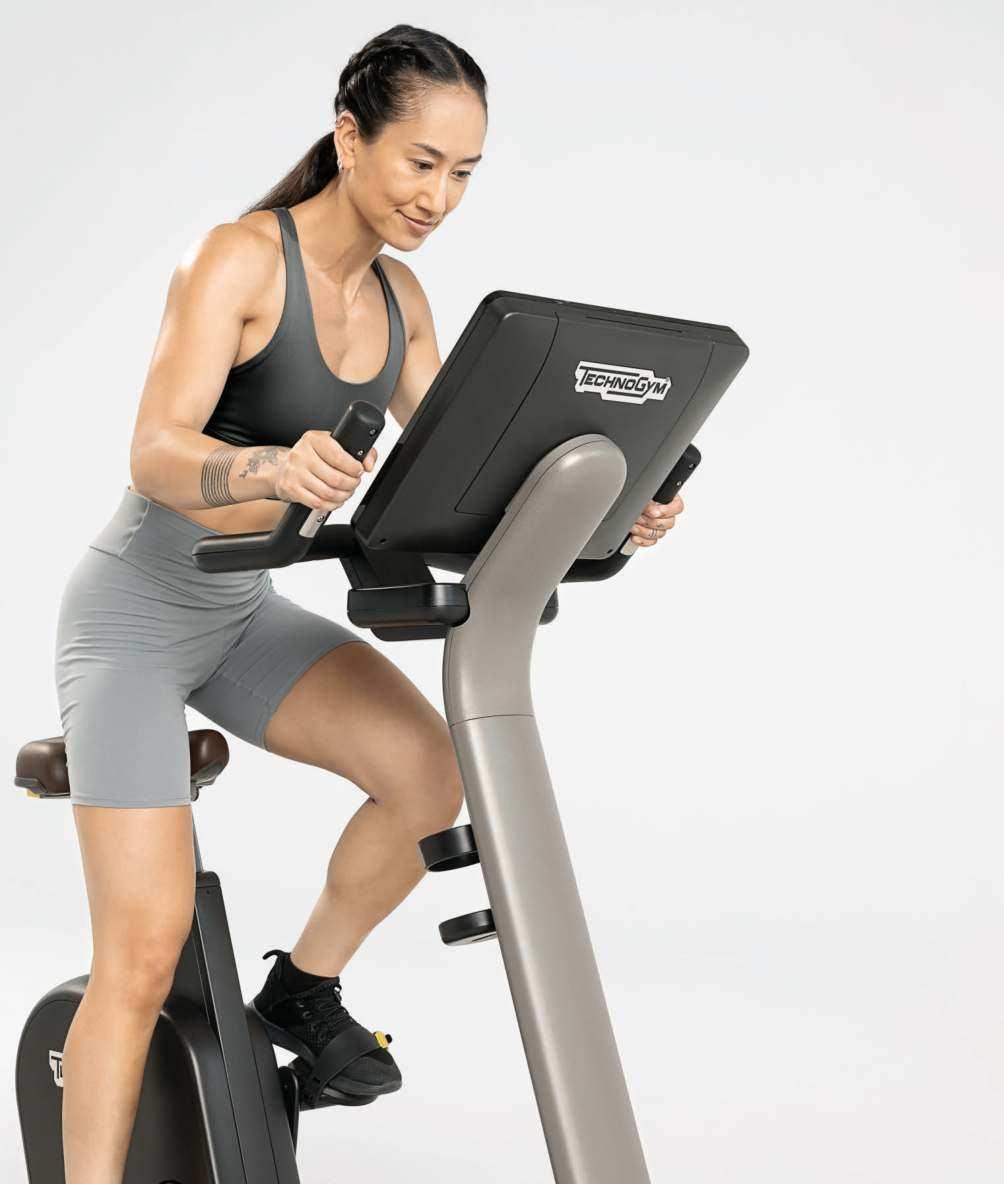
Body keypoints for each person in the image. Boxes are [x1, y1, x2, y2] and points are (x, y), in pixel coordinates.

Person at [50, 24, 685, 1184]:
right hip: (136, 610)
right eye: (419, 161)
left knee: (430, 773)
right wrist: (266, 465)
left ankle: (302, 988)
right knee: (139, 954)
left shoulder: (402, 300)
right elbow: (153, 451)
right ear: (349, 138)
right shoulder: (239, 261)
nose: (438, 196)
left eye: (464, 172)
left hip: (240, 611)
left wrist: (605, 509)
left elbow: (469, 475)